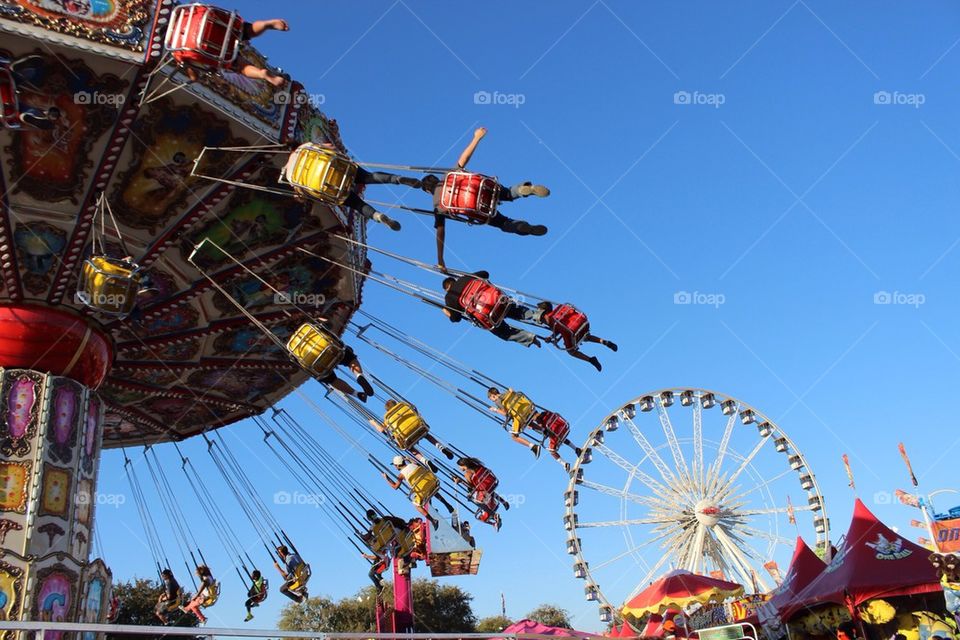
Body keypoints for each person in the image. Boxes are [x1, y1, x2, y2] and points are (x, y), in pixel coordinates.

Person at [424, 127, 549, 272]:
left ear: (428, 191)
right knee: (508, 193)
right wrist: (476, 138)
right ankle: (523, 190)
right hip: (483, 189)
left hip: (479, 209)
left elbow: (440, 233)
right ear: (435, 179)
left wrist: (440, 259)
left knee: (504, 223)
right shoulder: (448, 176)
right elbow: (463, 159)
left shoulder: (437, 204)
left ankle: (524, 228)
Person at [441, 271, 540, 347]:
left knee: (503, 332)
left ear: (447, 289)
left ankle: (529, 338)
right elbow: (485, 273)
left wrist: (446, 312)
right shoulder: (466, 278)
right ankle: (538, 315)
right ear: (454, 280)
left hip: (488, 316)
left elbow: (456, 318)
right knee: (514, 309)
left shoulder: (449, 297)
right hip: (497, 300)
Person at [183, 18, 288, 87]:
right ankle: (265, 25)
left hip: (210, 47)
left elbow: (192, 72)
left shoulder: (175, 46)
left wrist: (194, 78)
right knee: (248, 31)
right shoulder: (186, 14)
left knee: (240, 66)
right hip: (215, 27)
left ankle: (261, 74)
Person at [532, 301, 618, 372]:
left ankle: (591, 360)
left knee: (571, 352)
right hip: (582, 323)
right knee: (586, 337)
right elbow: (561, 326)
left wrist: (550, 338)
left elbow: (557, 330)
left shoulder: (550, 319)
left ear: (544, 313)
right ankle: (604, 342)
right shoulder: (560, 309)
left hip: (571, 332)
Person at [369, 399, 455, 464]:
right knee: (427, 435)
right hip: (418, 428)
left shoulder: (388, 418)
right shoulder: (404, 407)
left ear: (387, 410)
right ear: (396, 404)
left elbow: (382, 430)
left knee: (410, 448)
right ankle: (440, 447)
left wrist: (374, 423)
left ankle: (424, 460)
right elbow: (414, 409)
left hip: (406, 437)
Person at [383, 455, 455, 528]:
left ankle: (433, 520)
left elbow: (395, 487)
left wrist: (387, 478)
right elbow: (418, 464)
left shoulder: (401, 475)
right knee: (430, 488)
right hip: (432, 482)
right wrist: (409, 459)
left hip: (423, 491)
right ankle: (447, 504)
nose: (395, 467)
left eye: (395, 465)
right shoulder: (414, 465)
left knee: (416, 505)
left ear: (398, 465)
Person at [454, 457, 508, 530]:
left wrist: (460, 481)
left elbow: (471, 487)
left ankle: (493, 515)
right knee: (487, 490)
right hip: (490, 483)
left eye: (459, 467)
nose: (459, 469)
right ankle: (503, 502)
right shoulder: (478, 466)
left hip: (483, 490)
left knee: (476, 498)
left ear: (464, 465)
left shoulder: (467, 474)